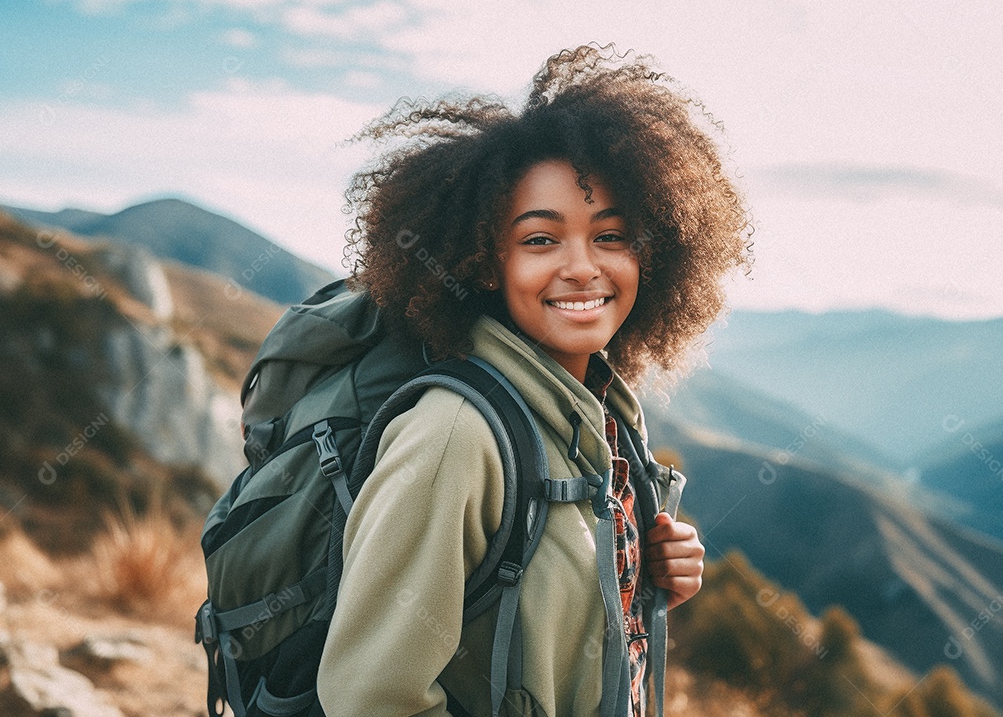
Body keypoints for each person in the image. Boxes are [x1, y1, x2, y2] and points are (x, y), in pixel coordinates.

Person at [316, 44, 752, 717]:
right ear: (485, 264)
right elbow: (368, 697)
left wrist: (645, 581)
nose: (582, 267)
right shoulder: (454, 437)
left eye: (612, 236)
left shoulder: (599, 414)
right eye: (541, 240)